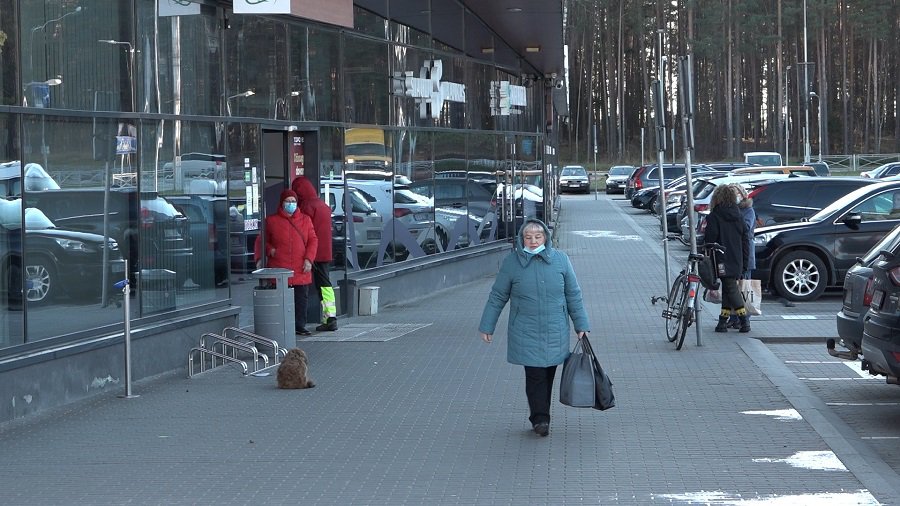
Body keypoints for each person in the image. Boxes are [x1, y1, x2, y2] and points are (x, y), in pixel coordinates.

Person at [478, 219, 590, 437]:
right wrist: (487, 325)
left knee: (548, 373)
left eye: (537, 237)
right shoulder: (512, 263)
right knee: (535, 374)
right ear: (522, 239)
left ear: (545, 238)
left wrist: (581, 324)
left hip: (555, 329)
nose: (532, 241)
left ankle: (541, 413)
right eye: (528, 237)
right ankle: (540, 418)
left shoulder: (561, 260)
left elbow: (573, 294)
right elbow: (498, 296)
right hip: (525, 330)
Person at [255, 189, 318, 336]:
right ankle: (280, 326)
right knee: (280, 300)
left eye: (293, 201)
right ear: (282, 203)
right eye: (288, 201)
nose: (291, 204)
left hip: (300, 268)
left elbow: (313, 240)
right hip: (279, 268)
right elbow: (262, 240)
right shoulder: (271, 221)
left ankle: (299, 325)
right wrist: (269, 250)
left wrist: (309, 259)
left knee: (301, 299)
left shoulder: (305, 220)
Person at [292, 176, 339, 331]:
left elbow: (302, 230)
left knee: (302, 286)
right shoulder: (323, 206)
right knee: (325, 285)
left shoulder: (306, 207)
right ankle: (330, 317)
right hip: (325, 252)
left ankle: (300, 321)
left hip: (310, 253)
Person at [704, 184, 751, 333]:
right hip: (737, 259)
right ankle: (722, 322)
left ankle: (744, 321)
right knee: (728, 290)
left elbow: (710, 239)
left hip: (721, 258)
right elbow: (746, 240)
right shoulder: (739, 216)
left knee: (730, 289)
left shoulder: (715, 216)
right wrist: (745, 261)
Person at [728, 184, 756, 329]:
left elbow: (745, 228)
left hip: (745, 254)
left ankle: (745, 318)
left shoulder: (748, 210)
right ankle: (733, 317)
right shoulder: (730, 210)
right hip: (733, 253)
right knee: (733, 287)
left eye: (736, 193)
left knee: (744, 287)